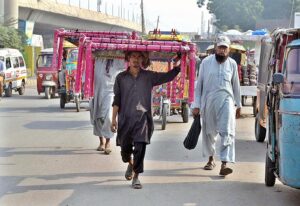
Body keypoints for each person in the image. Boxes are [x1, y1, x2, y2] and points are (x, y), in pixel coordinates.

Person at [111, 51, 181, 189]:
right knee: (125, 152)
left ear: (143, 59)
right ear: (128, 59)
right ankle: (130, 164)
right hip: (125, 119)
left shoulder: (149, 76)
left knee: (140, 147)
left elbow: (167, 76)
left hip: (142, 119)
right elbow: (117, 99)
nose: (136, 60)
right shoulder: (121, 78)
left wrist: (178, 65)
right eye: (133, 57)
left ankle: (136, 176)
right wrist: (113, 119)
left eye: (138, 57)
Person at [192, 35, 241, 176]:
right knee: (209, 132)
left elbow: (236, 85)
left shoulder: (232, 64)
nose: (222, 51)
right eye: (220, 47)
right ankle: (211, 159)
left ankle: (225, 162)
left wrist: (238, 105)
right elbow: (199, 85)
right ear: (215, 48)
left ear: (229, 49)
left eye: (225, 48)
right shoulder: (205, 63)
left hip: (227, 100)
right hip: (209, 101)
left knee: (227, 130)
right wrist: (197, 105)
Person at [90, 58, 123, 154]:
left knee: (108, 116)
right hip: (96, 90)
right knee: (97, 116)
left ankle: (108, 142)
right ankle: (101, 142)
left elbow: (123, 71)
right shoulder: (97, 57)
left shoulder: (118, 59)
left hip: (111, 91)